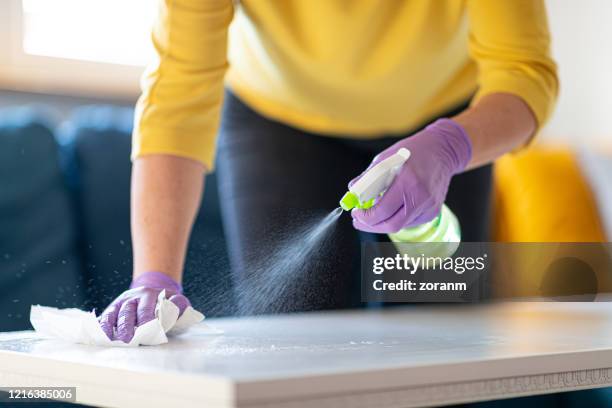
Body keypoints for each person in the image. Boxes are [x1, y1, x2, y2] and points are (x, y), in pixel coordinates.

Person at [98, 0, 558, 343]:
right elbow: (177, 100)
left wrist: (452, 147)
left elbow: (524, 72)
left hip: (447, 120)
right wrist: (154, 277)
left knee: (444, 344)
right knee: (290, 349)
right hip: (276, 120)